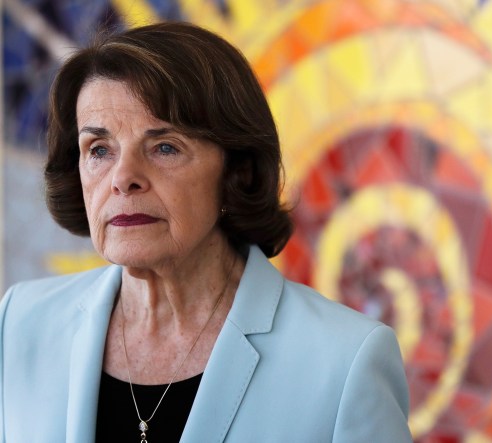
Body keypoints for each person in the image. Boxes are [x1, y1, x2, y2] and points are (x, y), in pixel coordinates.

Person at [0, 21, 412, 442]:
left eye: (165, 147)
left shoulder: (346, 361)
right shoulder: (20, 323)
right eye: (99, 150)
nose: (123, 178)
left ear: (237, 171)